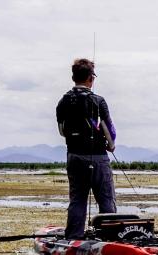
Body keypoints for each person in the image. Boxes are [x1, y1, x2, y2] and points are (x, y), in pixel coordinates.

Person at [56, 58, 118, 239]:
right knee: (106, 200)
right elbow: (110, 130)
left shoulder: (63, 102)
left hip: (74, 157)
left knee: (77, 200)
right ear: (91, 78)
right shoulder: (98, 101)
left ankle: (74, 236)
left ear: (73, 77)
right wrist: (111, 145)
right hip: (98, 157)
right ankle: (110, 237)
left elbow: (62, 131)